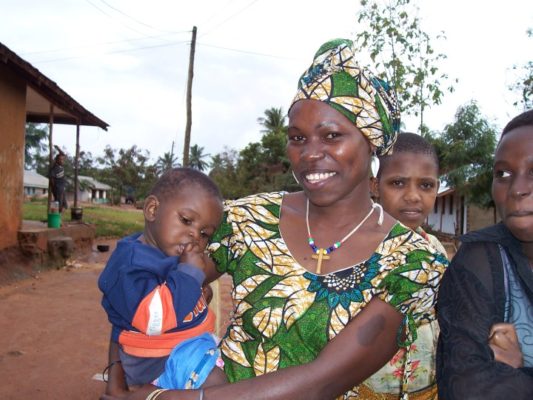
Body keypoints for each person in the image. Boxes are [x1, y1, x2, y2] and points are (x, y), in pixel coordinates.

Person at [102, 38, 447, 400]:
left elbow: (321, 382)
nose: (310, 154)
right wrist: (116, 368)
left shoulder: (412, 263)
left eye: (332, 135)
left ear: (371, 142)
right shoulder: (248, 220)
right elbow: (140, 286)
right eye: (298, 137)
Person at [98, 167, 227, 394]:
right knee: (217, 386)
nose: (195, 236)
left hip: (182, 343)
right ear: (152, 209)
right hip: (160, 358)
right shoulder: (130, 265)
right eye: (186, 220)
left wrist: (197, 294)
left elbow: (173, 293)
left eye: (204, 233)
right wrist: (189, 277)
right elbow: (153, 319)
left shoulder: (167, 253)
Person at [436, 109, 533, 399]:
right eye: (503, 174)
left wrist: (519, 373)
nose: (517, 189)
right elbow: (470, 387)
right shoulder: (480, 262)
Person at [371, 132, 447, 257]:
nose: (413, 197)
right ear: (375, 187)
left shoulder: (435, 249)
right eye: (398, 183)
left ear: (437, 189)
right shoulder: (357, 249)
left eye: (426, 185)